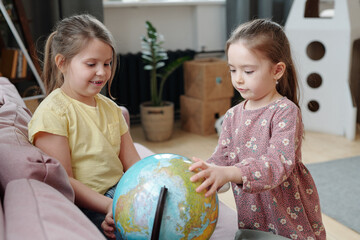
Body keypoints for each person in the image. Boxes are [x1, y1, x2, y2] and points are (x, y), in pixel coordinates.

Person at [189, 19, 326, 240]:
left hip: (287, 214)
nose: (238, 79)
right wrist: (207, 171)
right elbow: (223, 157)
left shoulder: (285, 111)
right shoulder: (233, 115)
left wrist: (232, 173)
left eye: (248, 71)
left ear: (277, 70)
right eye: (233, 70)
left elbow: (277, 163)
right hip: (252, 215)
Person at [28, 14, 140, 239]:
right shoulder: (53, 112)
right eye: (91, 64)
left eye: (107, 63)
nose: (102, 71)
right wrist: (110, 206)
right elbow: (64, 181)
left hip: (120, 193)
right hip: (88, 204)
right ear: (62, 63)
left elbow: (135, 164)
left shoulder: (110, 108)